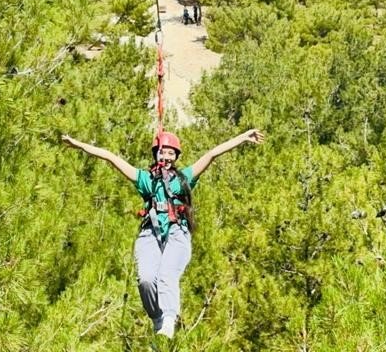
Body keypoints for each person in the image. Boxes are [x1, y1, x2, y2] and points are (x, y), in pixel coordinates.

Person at [61, 128, 265, 338]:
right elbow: (111, 157)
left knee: (167, 275)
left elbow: (212, 154)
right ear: (156, 154)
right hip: (151, 234)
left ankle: (169, 319)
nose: (166, 157)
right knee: (146, 280)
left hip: (177, 233)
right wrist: (80, 145)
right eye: (162, 152)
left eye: (171, 153)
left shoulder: (183, 178)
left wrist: (242, 138)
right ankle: (157, 318)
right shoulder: (145, 179)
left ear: (176, 156)